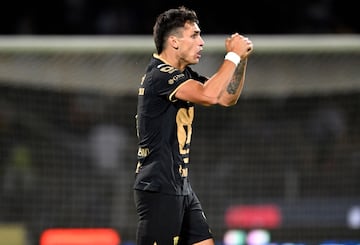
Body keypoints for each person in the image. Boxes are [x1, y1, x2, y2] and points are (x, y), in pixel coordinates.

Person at [134, 6, 253, 245]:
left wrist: (241, 61)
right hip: (159, 188)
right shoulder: (160, 75)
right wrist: (232, 56)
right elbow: (209, 96)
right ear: (174, 41)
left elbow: (226, 97)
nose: (201, 42)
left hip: (180, 186)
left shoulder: (184, 75)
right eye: (195, 35)